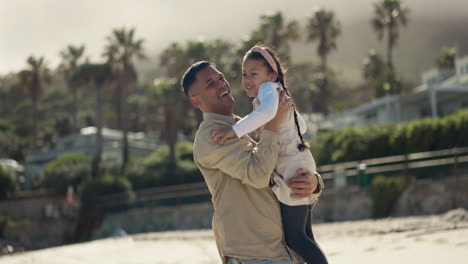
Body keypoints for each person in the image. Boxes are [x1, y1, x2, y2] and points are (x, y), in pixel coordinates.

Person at [181, 60, 324, 264]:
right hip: (256, 256)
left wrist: (314, 183)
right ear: (196, 101)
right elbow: (257, 175)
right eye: (210, 84)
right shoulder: (211, 136)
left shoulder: (244, 125)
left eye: (221, 78)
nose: (222, 84)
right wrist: (273, 124)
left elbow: (278, 165)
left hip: (285, 253)